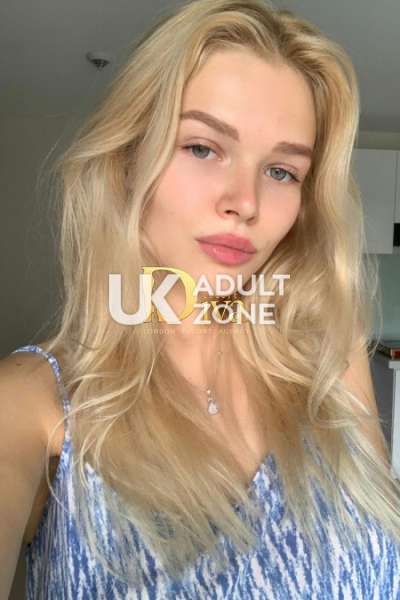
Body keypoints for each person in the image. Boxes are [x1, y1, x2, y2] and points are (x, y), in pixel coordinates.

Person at [1, 0, 400, 597]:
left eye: (282, 171)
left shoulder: (329, 359)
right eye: (203, 148)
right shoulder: (32, 406)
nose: (246, 202)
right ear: (128, 162)